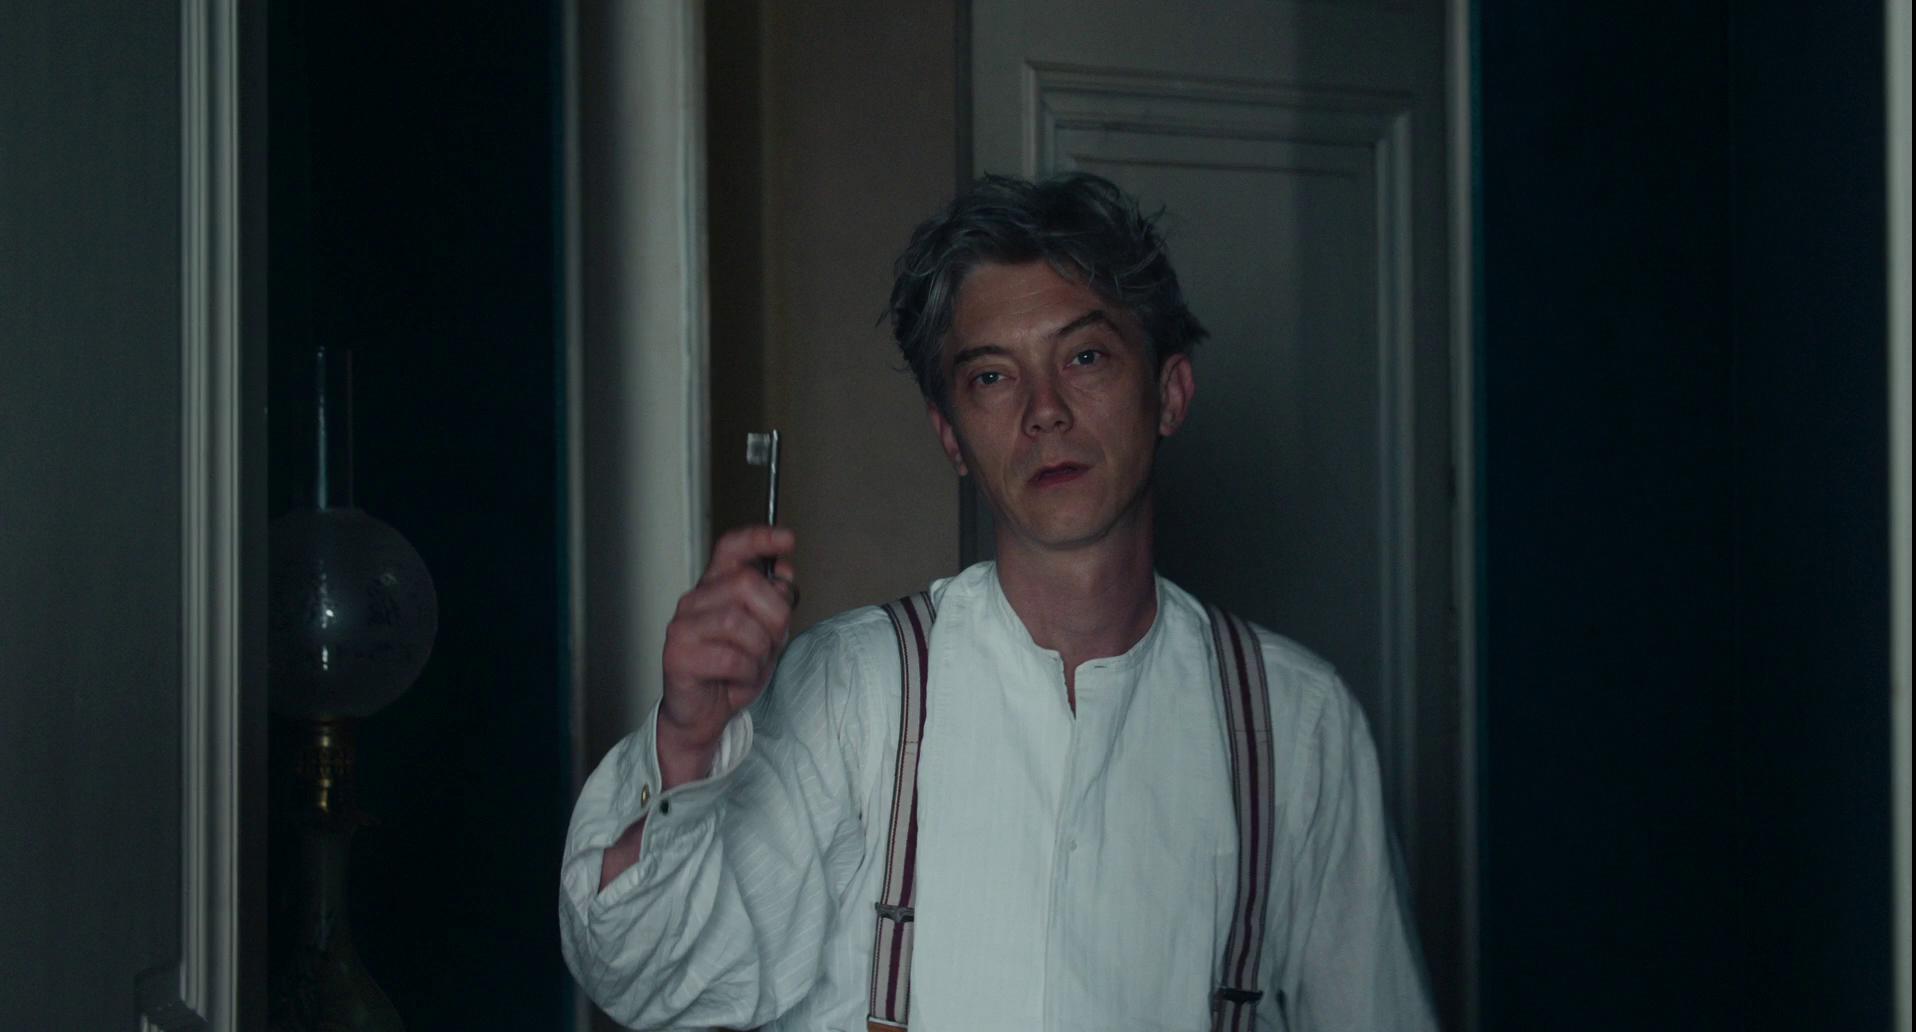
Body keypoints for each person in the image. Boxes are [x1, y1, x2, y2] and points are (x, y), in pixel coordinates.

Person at [559, 173, 1436, 1031]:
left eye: (1084, 357)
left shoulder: (1297, 723)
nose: (1043, 412)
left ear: (1169, 392)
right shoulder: (859, 691)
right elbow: (647, 978)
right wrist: (686, 744)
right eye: (991, 377)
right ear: (952, 437)